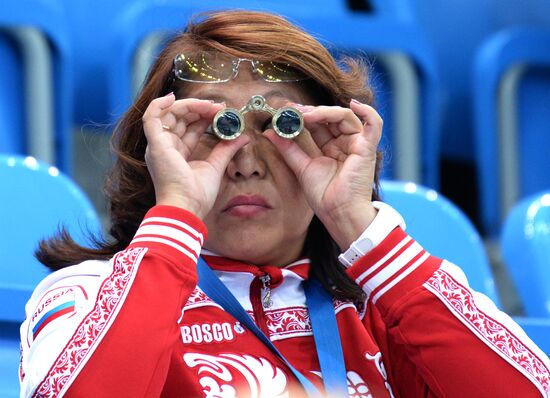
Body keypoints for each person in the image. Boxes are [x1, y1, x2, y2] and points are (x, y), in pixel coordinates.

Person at [19, 9, 550, 398]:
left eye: (282, 127)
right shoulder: (88, 292)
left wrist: (355, 220)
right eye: (212, 129)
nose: (245, 163)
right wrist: (176, 215)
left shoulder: (390, 301)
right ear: (156, 155)